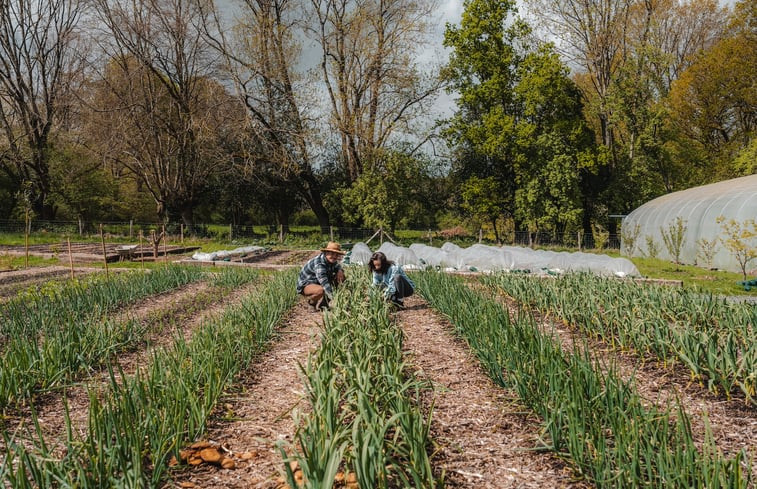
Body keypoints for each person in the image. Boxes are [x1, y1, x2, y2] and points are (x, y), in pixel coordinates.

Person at [297, 241, 346, 311]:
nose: (334, 256)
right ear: (326, 253)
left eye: (336, 254)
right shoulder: (319, 263)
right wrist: (335, 299)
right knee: (321, 290)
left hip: (318, 282)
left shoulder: (331, 260)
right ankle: (312, 303)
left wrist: (340, 271)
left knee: (342, 277)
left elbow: (338, 266)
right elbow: (324, 283)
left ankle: (324, 304)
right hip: (306, 284)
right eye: (332, 253)